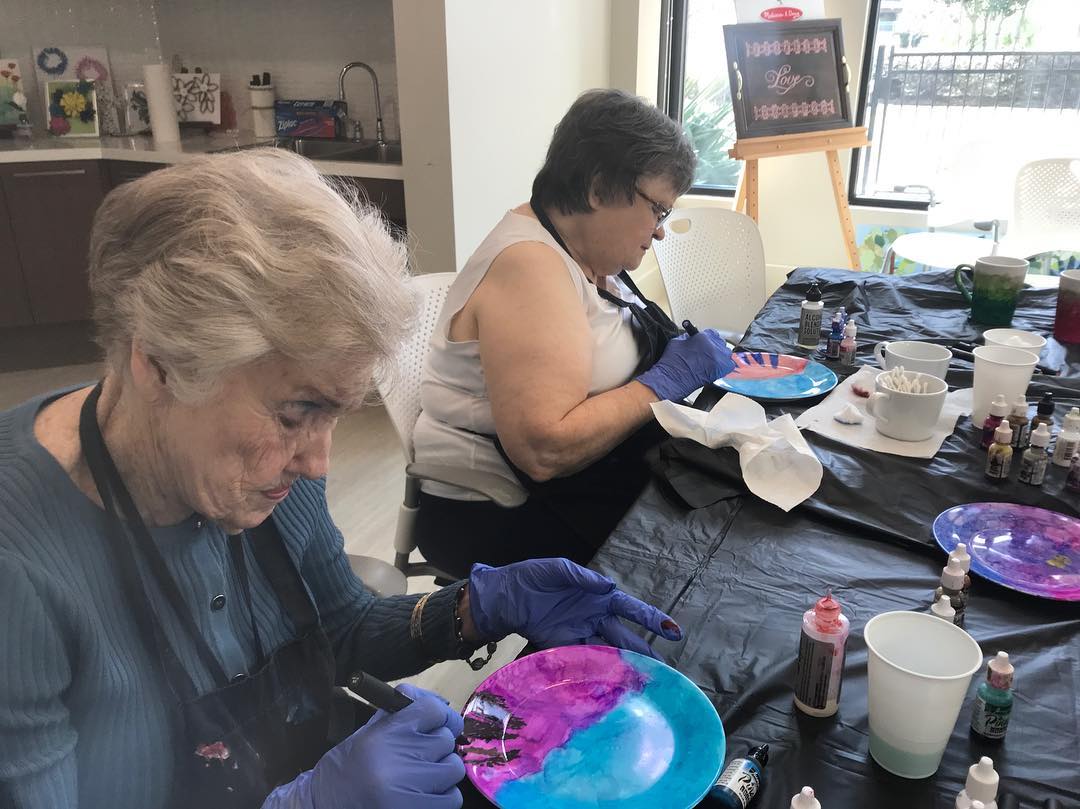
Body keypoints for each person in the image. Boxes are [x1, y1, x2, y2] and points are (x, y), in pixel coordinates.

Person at [0, 149, 683, 809]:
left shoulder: (254, 472)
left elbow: (340, 630)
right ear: (158, 365)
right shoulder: (22, 573)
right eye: (297, 413)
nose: (318, 462)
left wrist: (477, 607)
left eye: (335, 414)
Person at [413, 89, 736, 577]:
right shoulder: (530, 266)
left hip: (587, 482)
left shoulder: (586, 249)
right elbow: (545, 449)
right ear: (599, 188)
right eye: (657, 210)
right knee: (705, 562)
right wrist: (662, 382)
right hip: (500, 512)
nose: (660, 232)